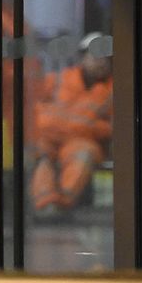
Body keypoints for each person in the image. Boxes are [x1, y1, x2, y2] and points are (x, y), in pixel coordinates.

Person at [30, 32, 112, 217]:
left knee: (82, 157)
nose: (101, 62)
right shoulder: (57, 80)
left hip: (81, 141)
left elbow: (117, 127)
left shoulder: (115, 91)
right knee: (40, 158)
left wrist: (88, 128)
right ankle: (45, 204)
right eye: (96, 56)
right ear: (83, 57)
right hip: (46, 137)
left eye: (106, 58)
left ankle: (63, 205)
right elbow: (30, 103)